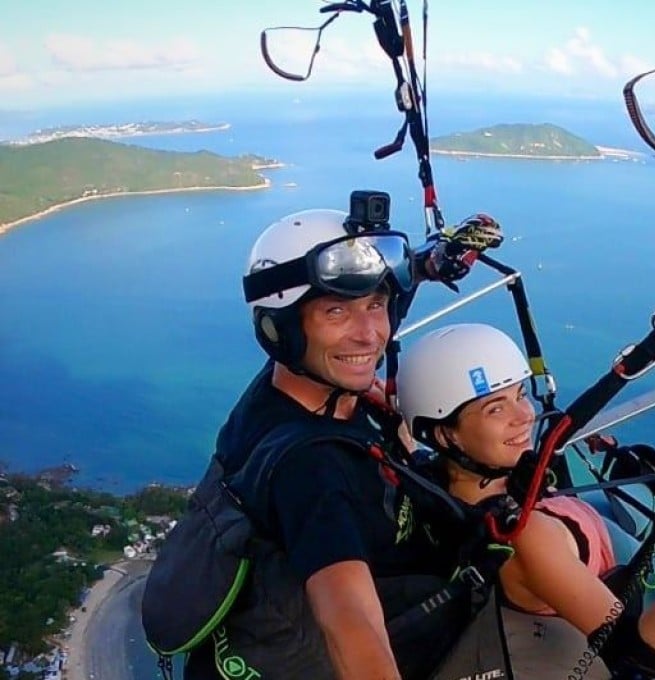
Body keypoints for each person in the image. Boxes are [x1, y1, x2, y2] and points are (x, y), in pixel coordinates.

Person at [178, 207, 492, 680]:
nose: (371, 334)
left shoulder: (300, 381)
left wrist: (429, 264)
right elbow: (350, 619)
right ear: (278, 328)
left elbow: (378, 299)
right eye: (336, 311)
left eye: (375, 305)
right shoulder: (308, 468)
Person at [396, 322, 655, 678]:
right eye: (495, 409)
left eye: (521, 395)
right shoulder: (525, 536)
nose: (525, 416)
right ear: (447, 434)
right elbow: (635, 658)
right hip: (611, 562)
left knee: (627, 495)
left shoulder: (426, 480)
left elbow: (407, 434)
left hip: (583, 526)